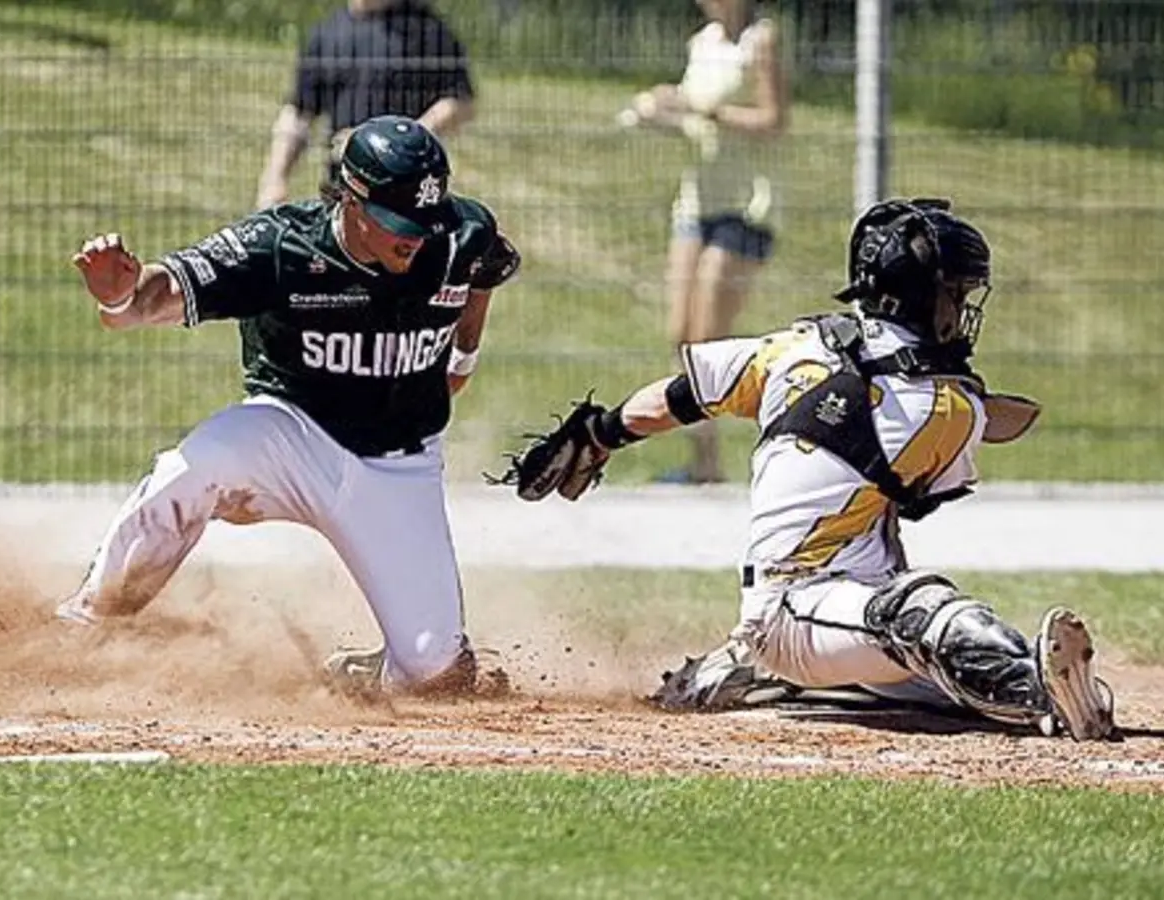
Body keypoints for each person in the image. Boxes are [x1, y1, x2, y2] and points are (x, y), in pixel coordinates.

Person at [497, 198, 1117, 740]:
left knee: (949, 649)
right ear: (922, 294)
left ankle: (785, 674)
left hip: (845, 611)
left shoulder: (798, 346)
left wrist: (600, 433)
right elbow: (939, 474)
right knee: (923, 609)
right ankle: (1044, 698)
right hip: (797, 607)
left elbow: (683, 396)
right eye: (954, 292)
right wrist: (973, 406)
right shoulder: (946, 405)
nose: (960, 308)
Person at [62, 116, 521, 699]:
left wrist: (462, 359)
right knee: (194, 469)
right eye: (398, 222)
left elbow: (483, 273)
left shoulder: (460, 233)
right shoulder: (280, 246)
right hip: (288, 437)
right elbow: (155, 297)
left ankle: (370, 672)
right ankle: (89, 621)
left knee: (437, 677)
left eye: (426, 222)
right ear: (351, 199)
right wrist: (119, 295)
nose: (416, 237)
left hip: (398, 464)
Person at [622, 0, 789, 484]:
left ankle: (761, 451)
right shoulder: (704, 42)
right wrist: (663, 109)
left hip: (746, 205)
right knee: (681, 335)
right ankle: (705, 463)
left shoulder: (762, 39)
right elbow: (696, 116)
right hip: (697, 202)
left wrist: (703, 110)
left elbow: (773, 120)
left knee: (709, 340)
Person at [256, 0, 477, 211]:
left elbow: (460, 102)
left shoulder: (428, 31)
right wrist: (275, 178)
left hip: (405, 199)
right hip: (343, 194)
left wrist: (394, 144)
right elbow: (299, 113)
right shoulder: (327, 33)